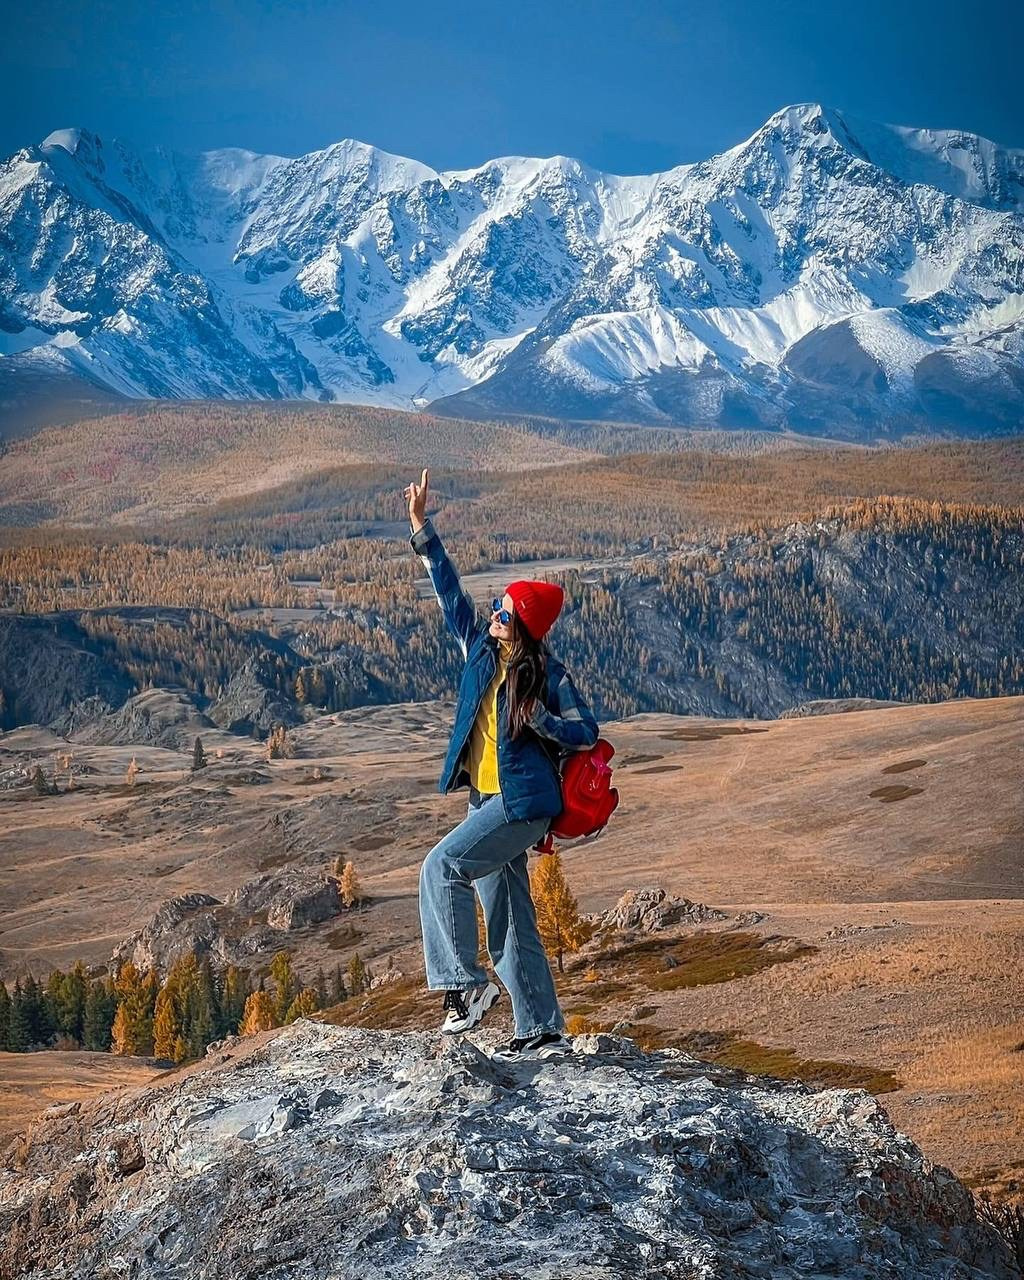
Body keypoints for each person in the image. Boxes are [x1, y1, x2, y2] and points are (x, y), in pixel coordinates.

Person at [404, 467, 599, 1063]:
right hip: (485, 800)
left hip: (522, 804)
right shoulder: (481, 651)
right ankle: (541, 1027)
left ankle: (464, 988)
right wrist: (422, 529)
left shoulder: (548, 676)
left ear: (525, 625)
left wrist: (543, 722)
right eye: (496, 605)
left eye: (505, 611)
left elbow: (587, 733)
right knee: (509, 911)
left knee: (441, 867)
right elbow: (450, 595)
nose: (494, 614)